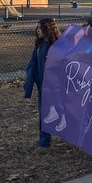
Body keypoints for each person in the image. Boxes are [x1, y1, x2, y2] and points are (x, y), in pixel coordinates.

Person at [24, 17, 61, 148]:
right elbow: (33, 64)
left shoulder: (57, 47)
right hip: (43, 87)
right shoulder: (39, 47)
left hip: (56, 87)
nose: (37, 31)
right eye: (37, 28)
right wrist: (30, 81)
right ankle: (44, 141)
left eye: (40, 28)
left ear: (48, 29)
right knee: (44, 113)